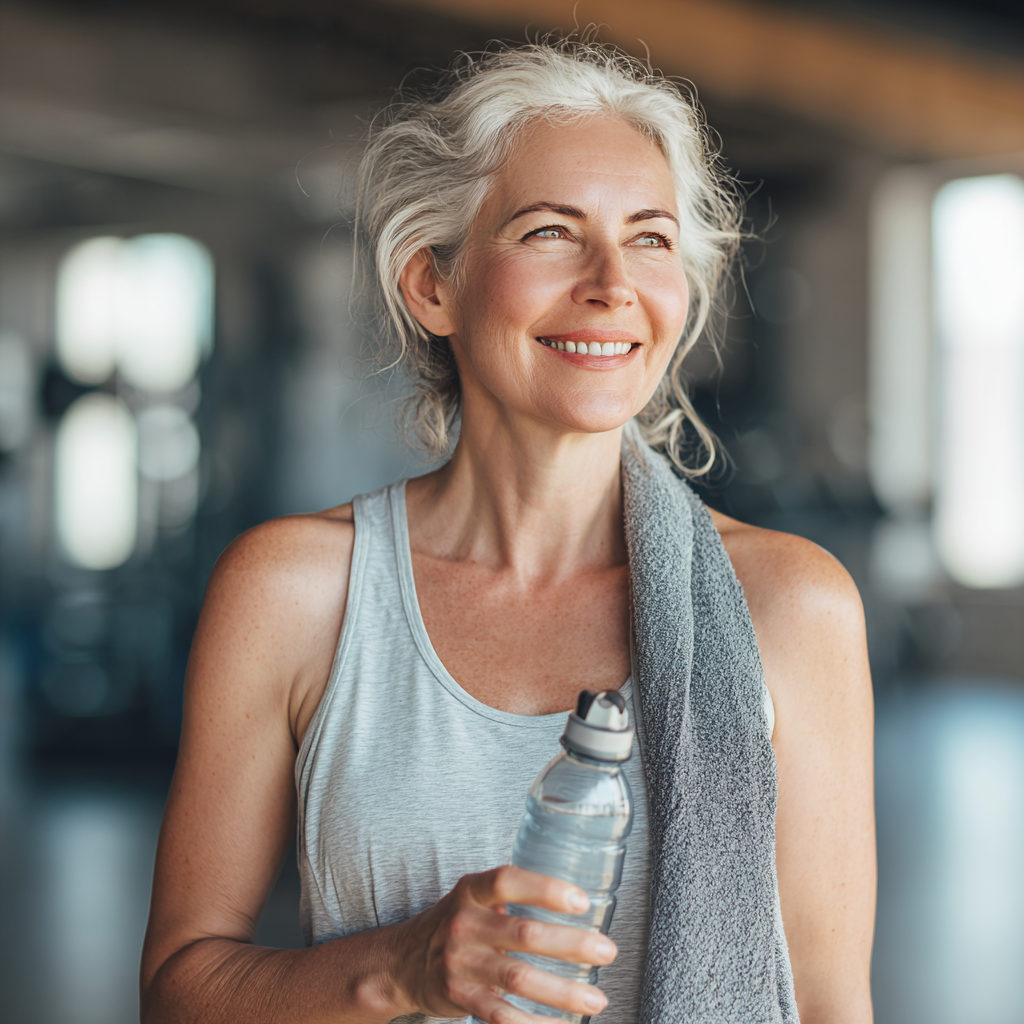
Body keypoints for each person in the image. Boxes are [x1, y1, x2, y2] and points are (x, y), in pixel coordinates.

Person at [141, 40, 875, 1024]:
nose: (613, 281)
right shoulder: (292, 592)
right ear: (431, 284)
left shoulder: (793, 605)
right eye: (550, 232)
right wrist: (400, 969)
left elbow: (831, 1007)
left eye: (651, 239)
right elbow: (179, 992)